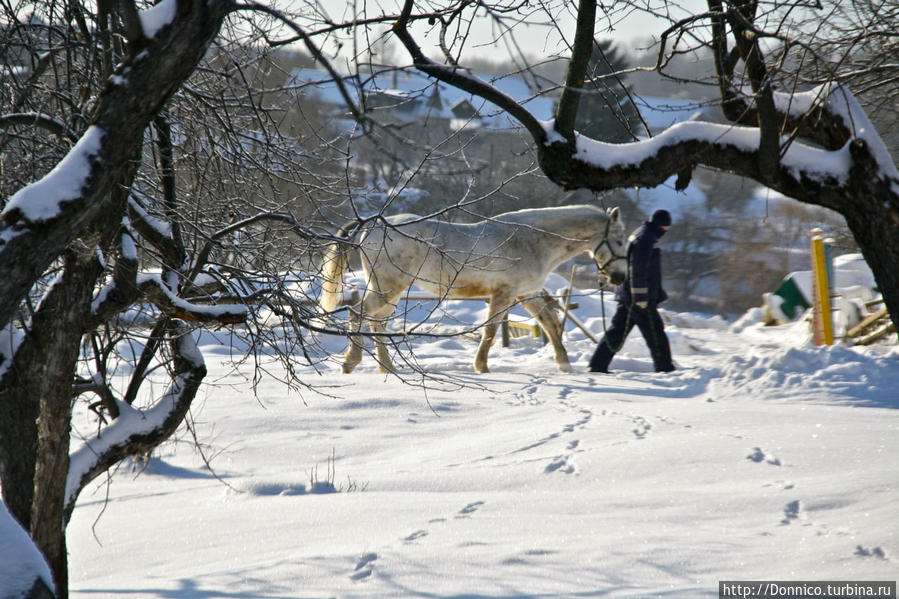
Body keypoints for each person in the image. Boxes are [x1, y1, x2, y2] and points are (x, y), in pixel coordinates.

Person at [589, 209, 675, 373]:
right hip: (638, 297)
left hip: (627, 293)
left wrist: (658, 292)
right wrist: (641, 296)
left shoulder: (643, 233)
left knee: (617, 331)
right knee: (655, 332)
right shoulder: (646, 238)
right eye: (667, 228)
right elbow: (638, 268)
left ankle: (597, 365)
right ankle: (665, 368)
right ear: (663, 226)